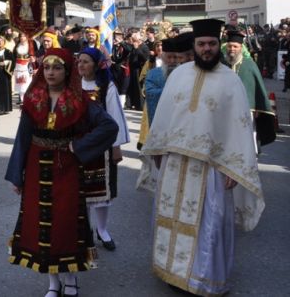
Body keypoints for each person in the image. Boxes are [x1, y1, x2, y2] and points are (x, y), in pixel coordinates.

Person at [141, 19, 264, 296]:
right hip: (174, 161)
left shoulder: (231, 80)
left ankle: (202, 278)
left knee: (210, 223)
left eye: (211, 44)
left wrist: (234, 168)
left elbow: (240, 127)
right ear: (194, 46)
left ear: (216, 45)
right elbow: (164, 117)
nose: (206, 49)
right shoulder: (179, 75)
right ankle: (172, 271)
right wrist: (159, 148)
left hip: (212, 166)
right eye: (201, 44)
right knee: (170, 216)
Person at [5, 48, 119, 297]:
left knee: (66, 225)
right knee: (41, 225)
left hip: (66, 170)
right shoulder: (33, 98)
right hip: (36, 169)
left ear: (67, 71)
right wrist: (17, 174)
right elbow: (23, 138)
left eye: (56, 68)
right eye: (46, 67)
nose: (51, 72)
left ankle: (71, 280)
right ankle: (53, 284)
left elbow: (109, 127)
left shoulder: (79, 100)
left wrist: (78, 146)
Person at [76, 47, 129, 252]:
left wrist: (116, 147)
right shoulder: (72, 85)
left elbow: (115, 116)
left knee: (103, 192)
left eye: (86, 61)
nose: (81, 65)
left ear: (96, 64)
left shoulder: (106, 86)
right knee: (82, 191)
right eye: (79, 61)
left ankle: (102, 230)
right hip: (79, 145)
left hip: (102, 147)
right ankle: (86, 230)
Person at [136, 38, 181, 190]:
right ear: (163, 56)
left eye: (177, 57)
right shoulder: (154, 74)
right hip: (161, 127)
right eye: (170, 57)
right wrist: (173, 92)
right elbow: (149, 93)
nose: (173, 61)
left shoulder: (187, 74)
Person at [224, 29, 276, 151]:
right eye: (229, 46)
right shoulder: (223, 65)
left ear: (241, 48)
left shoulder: (249, 65)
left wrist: (257, 107)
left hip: (245, 111)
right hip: (225, 110)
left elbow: (256, 89)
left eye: (235, 46)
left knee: (246, 141)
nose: (232, 49)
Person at [0, 37, 15, 115]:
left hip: (4, 73)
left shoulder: (8, 52)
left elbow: (13, 62)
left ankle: (4, 108)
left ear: (4, 42)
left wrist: (5, 63)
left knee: (4, 91)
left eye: (1, 41)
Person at [13, 31, 36, 102]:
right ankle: (21, 98)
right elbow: (14, 55)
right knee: (20, 82)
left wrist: (33, 58)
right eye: (21, 36)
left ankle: (27, 99)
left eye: (24, 36)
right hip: (18, 66)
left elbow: (35, 54)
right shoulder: (17, 45)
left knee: (27, 82)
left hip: (27, 66)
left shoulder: (30, 45)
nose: (22, 38)